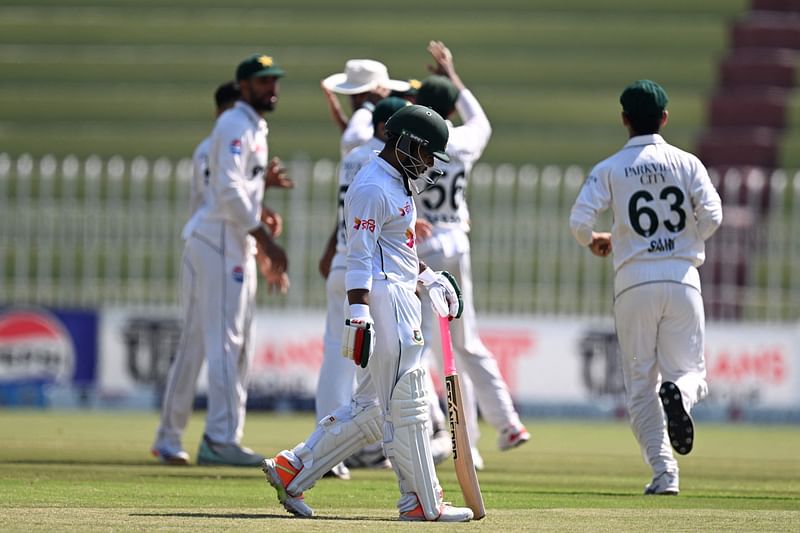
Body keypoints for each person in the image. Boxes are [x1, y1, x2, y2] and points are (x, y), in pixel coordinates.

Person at [262, 105, 474, 522]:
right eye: (428, 154)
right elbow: (359, 257)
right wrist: (359, 313)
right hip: (383, 300)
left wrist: (431, 280)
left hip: (399, 296)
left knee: (374, 410)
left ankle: (293, 469)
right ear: (409, 144)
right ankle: (421, 502)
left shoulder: (396, 185)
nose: (431, 165)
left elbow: (399, 251)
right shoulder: (373, 187)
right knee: (407, 402)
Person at [569, 80, 723, 495]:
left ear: (624, 119)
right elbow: (712, 214)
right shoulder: (686, 162)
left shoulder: (610, 168)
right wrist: (689, 238)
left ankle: (664, 473)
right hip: (681, 276)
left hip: (633, 281)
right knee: (691, 372)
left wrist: (596, 240)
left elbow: (579, 221)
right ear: (665, 118)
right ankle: (680, 395)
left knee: (640, 384)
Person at [151, 54, 290, 467]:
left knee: (199, 343)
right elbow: (227, 192)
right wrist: (264, 239)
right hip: (221, 243)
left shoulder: (251, 127)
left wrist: (260, 208)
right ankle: (221, 438)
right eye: (263, 82)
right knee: (229, 344)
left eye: (274, 81)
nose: (272, 89)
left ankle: (169, 436)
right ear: (243, 86)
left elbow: (236, 189)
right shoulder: (234, 124)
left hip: (219, 241)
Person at [414, 40, 530, 469]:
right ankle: (506, 424)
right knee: (465, 342)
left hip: (422, 245)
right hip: (456, 241)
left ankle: (444, 433)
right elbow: (480, 120)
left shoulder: (409, 143)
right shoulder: (462, 140)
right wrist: (453, 74)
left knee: (424, 346)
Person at [316, 96, 410, 478]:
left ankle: (329, 451)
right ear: (389, 129)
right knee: (369, 373)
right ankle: (349, 450)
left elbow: (348, 213)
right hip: (366, 273)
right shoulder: (384, 166)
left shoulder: (354, 154)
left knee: (336, 364)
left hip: (344, 258)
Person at [321, 59, 410, 158]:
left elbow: (354, 140)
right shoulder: (364, 117)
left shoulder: (363, 118)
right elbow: (355, 140)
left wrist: (367, 106)